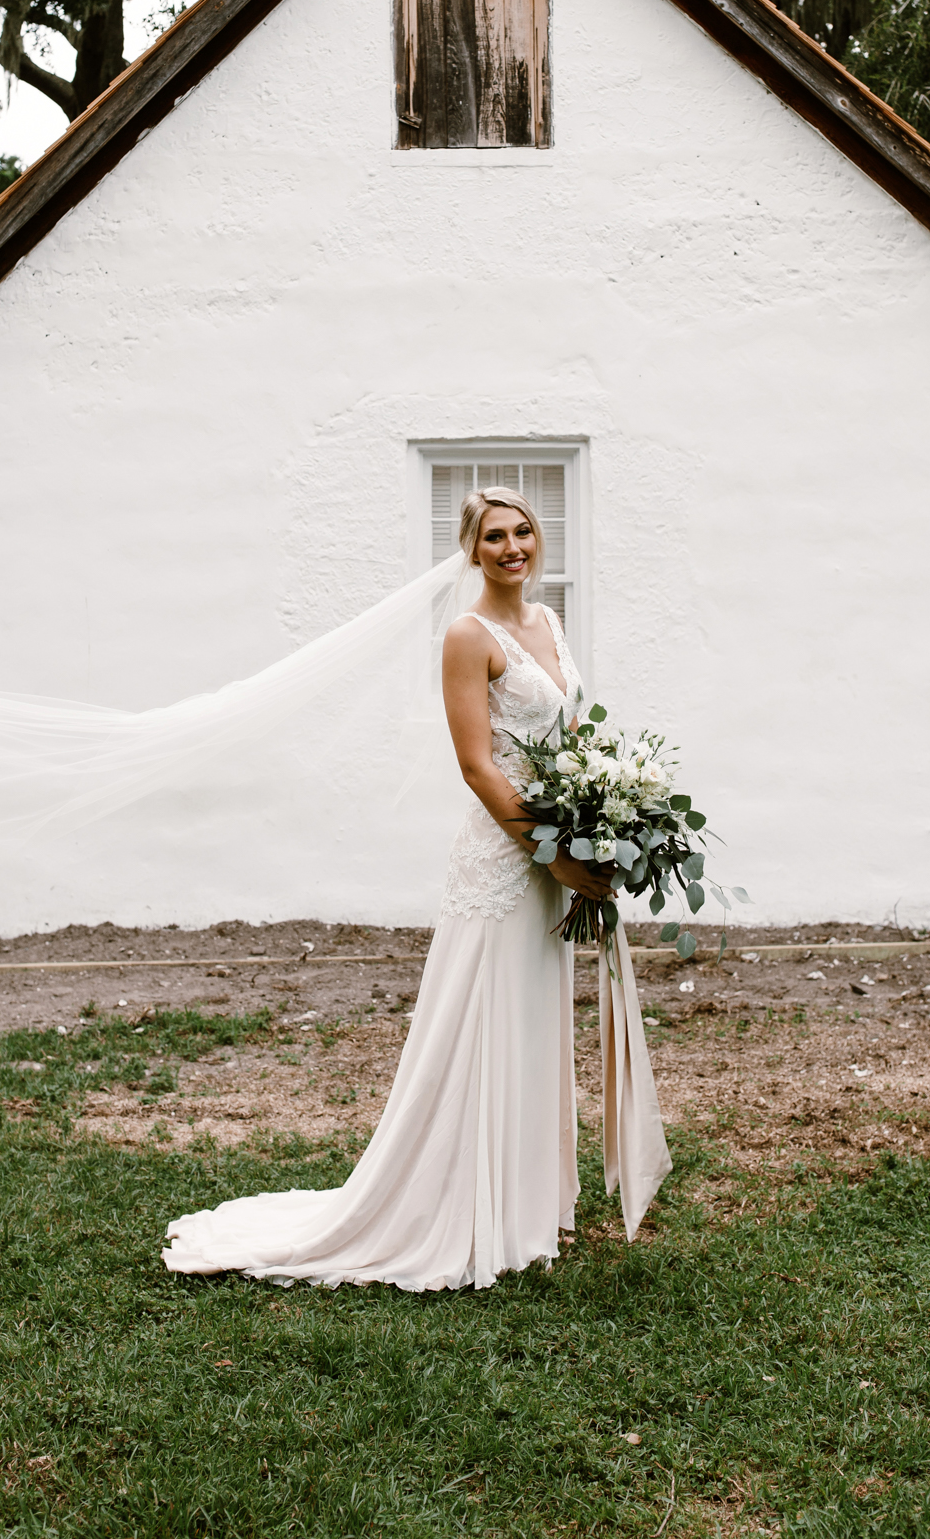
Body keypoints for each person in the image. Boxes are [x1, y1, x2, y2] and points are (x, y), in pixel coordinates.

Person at [161, 486, 669, 1292]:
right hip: (506, 865)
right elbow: (477, 765)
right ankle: (463, 1211)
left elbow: (570, 739)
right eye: (495, 536)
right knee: (481, 1022)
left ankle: (527, 1204)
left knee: (534, 1021)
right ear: (471, 551)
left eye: (524, 532)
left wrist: (599, 824)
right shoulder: (468, 636)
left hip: (552, 859)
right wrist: (551, 854)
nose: (513, 547)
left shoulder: (550, 625)